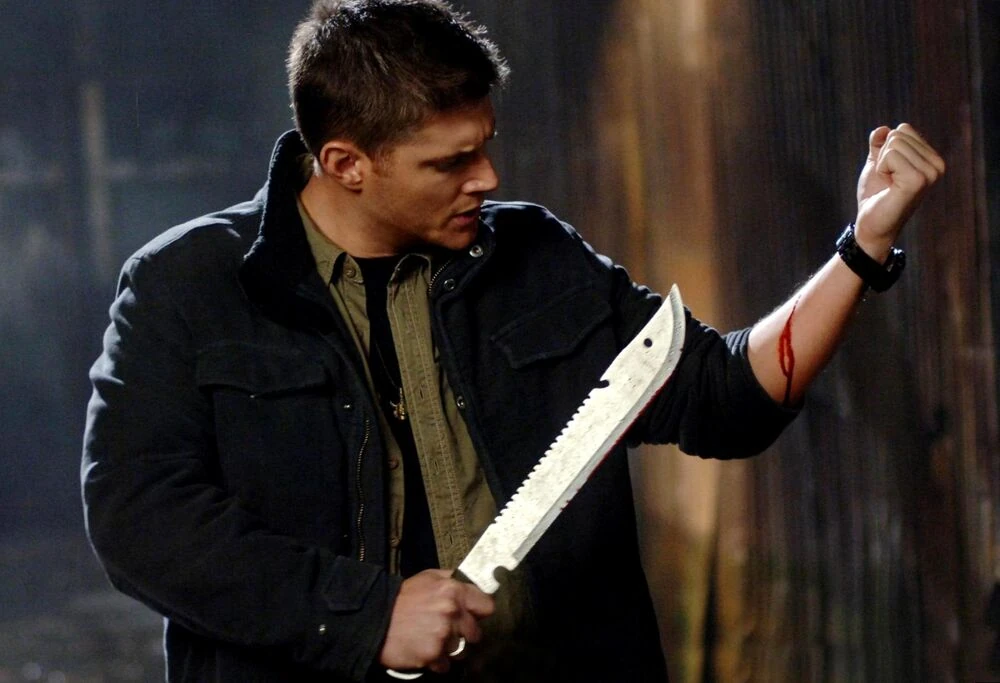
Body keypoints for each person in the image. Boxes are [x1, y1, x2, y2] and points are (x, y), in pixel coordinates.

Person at [81, 1, 945, 681]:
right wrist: (365, 614)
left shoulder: (537, 257)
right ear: (347, 163)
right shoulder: (187, 287)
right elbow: (140, 518)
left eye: (484, 148)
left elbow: (728, 397)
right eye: (450, 162)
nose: (487, 178)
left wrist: (863, 246)